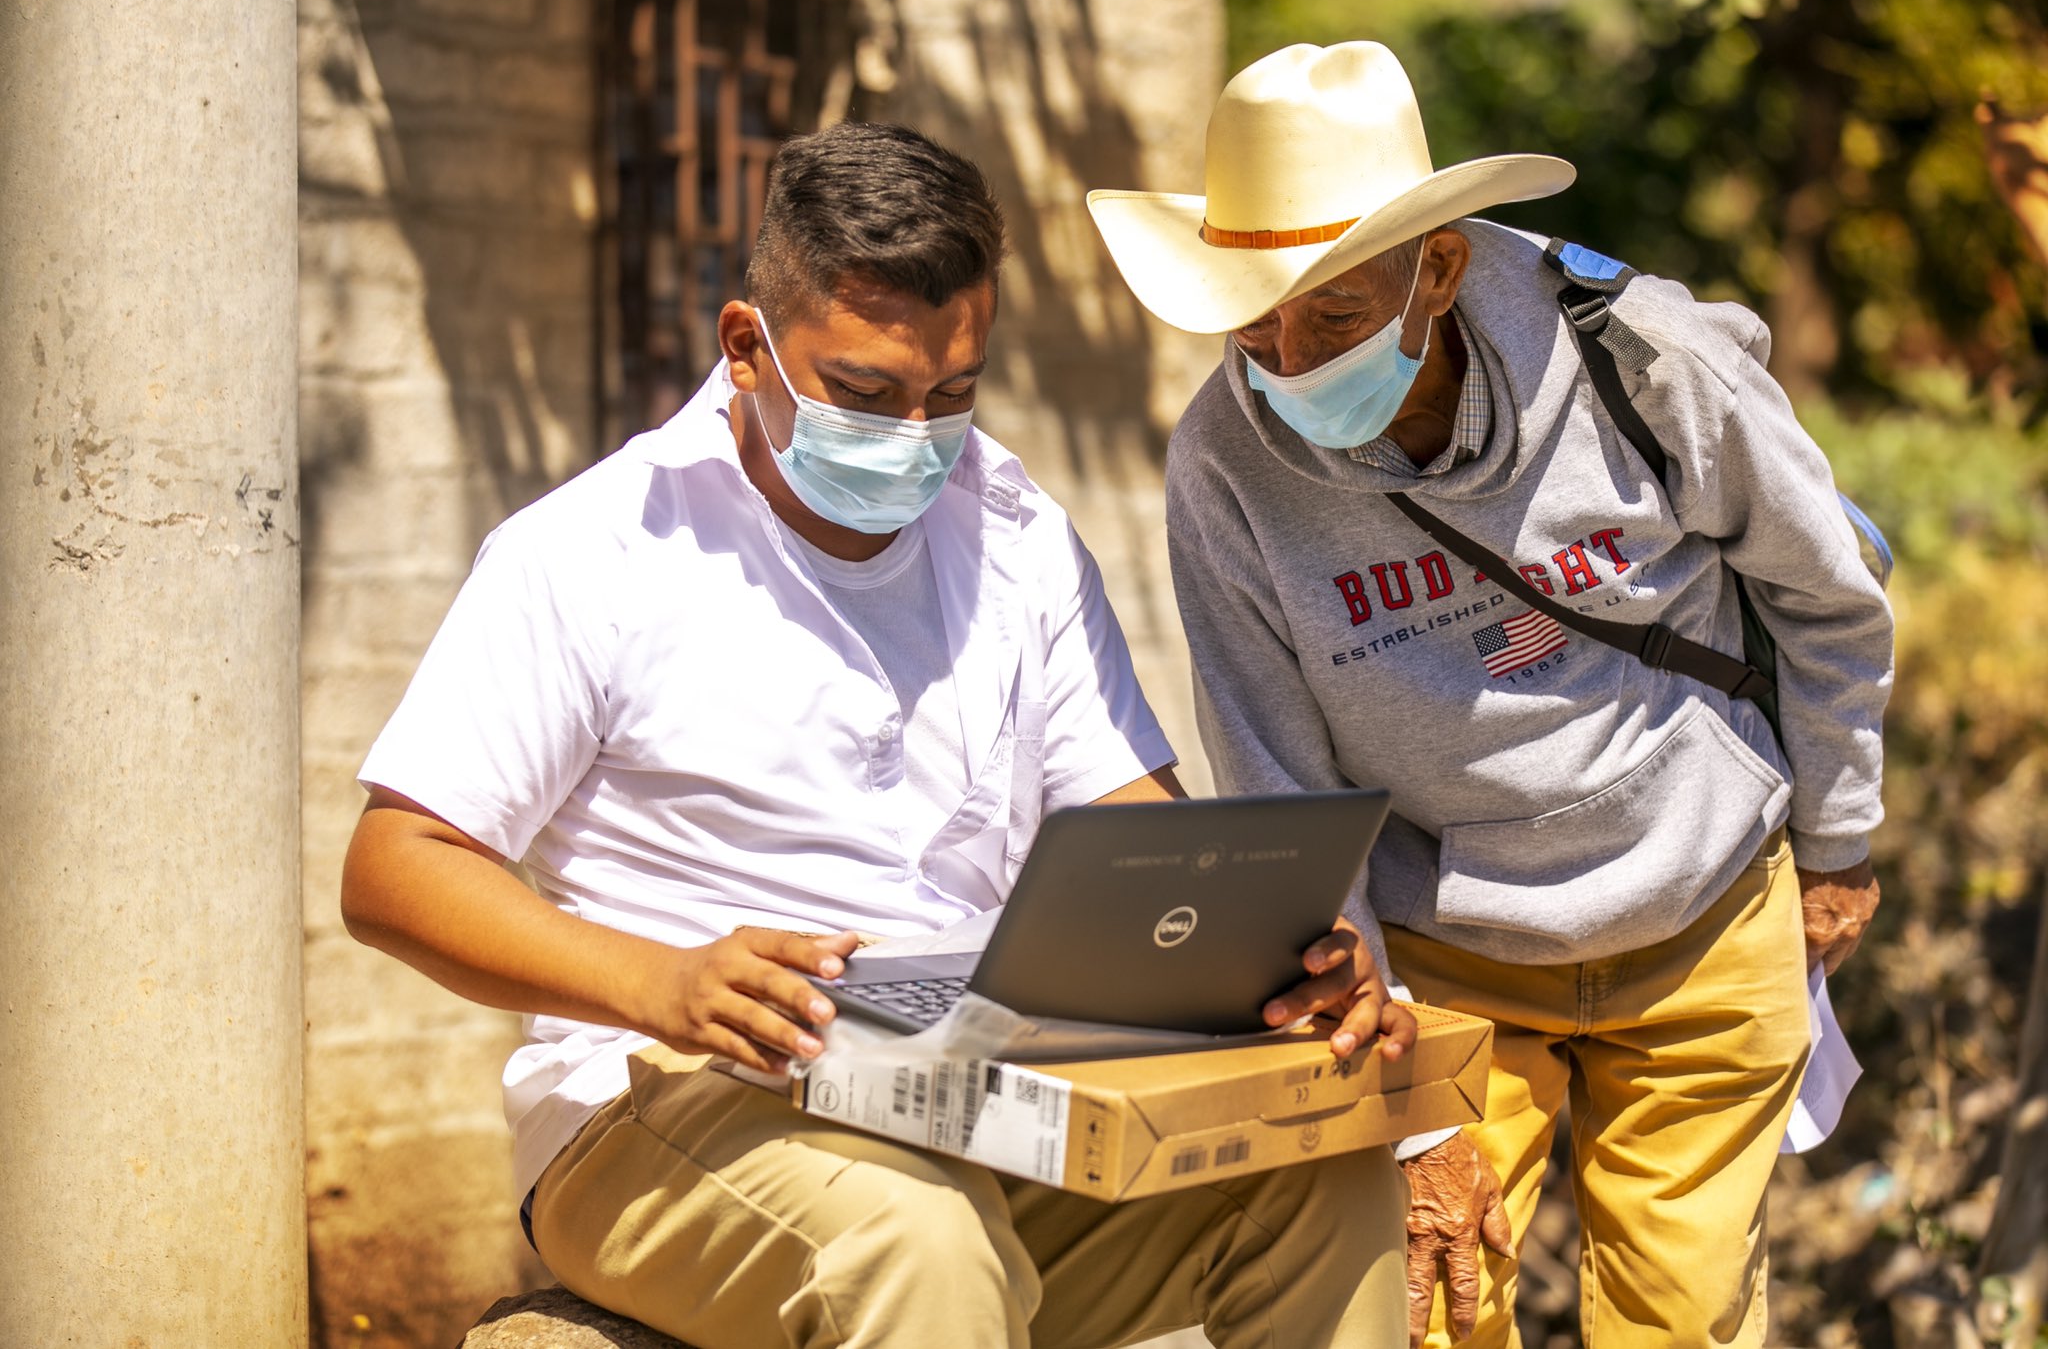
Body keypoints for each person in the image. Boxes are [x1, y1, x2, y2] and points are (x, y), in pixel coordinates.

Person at [341, 121, 1414, 1349]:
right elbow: (393, 867)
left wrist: (1262, 945)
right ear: (747, 347)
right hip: (666, 1098)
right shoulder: (593, 552)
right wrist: (664, 981)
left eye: (951, 393)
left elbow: (1134, 831)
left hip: (977, 1098)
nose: (914, 433)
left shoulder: (1014, 537)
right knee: (916, 1239)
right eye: (864, 393)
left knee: (1312, 1171)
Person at [1087, 42, 1893, 1349]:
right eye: (1252, 317)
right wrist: (1409, 1116)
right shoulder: (1225, 468)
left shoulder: (1646, 359)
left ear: (1440, 269)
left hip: (1700, 910)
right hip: (1444, 963)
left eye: (1332, 314)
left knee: (1685, 1326)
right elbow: (1280, 789)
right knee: (1429, 1313)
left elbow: (1827, 594)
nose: (1285, 361)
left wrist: (1842, 842)